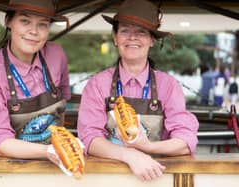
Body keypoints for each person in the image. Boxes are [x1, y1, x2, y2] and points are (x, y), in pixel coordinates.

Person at [77, 0, 199, 182]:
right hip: (106, 178)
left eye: (141, 32)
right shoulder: (97, 84)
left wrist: (147, 147)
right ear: (115, 37)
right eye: (125, 30)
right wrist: (130, 155)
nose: (132, 37)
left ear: (152, 40)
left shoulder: (169, 85)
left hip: (154, 177)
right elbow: (89, 138)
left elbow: (186, 141)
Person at [0, 0, 70, 165]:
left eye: (42, 24)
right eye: (25, 21)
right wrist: (49, 151)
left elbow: (62, 107)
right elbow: (0, 141)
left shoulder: (57, 55)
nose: (34, 31)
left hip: (57, 163)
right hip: (10, 167)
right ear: (8, 21)